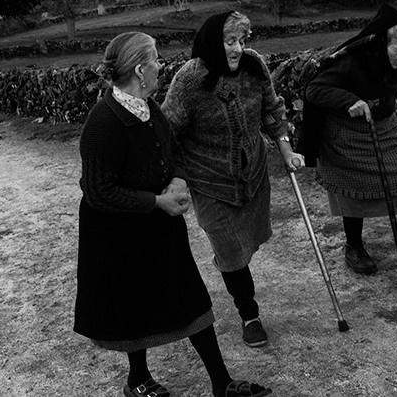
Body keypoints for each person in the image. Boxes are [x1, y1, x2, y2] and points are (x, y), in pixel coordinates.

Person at [75, 31, 272, 397]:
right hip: (119, 235)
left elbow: (173, 149)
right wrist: (156, 202)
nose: (160, 65)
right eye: (155, 60)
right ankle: (138, 379)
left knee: (192, 299)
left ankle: (222, 383)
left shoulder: (149, 109)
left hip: (161, 226)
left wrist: (179, 181)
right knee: (135, 307)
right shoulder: (103, 124)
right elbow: (97, 191)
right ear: (139, 68)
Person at [161, 11, 304, 349]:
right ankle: (249, 313)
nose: (239, 48)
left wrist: (286, 150)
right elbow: (168, 132)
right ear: (213, 43)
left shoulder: (254, 67)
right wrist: (177, 177)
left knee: (247, 244)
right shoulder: (190, 79)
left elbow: (272, 110)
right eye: (230, 42)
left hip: (252, 173)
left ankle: (245, 297)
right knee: (229, 253)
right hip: (209, 182)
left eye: (242, 40)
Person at [298, 3, 397, 274]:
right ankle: (354, 247)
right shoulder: (351, 60)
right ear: (383, 42)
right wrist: (350, 100)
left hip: (383, 126)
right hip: (345, 131)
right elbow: (315, 90)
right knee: (352, 186)